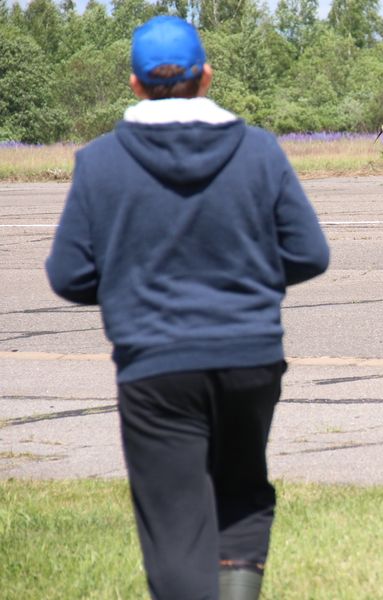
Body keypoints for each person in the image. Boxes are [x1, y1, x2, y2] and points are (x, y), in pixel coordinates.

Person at [45, 15, 330, 600]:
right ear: (207, 76)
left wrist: (131, 281)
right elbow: (309, 253)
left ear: (134, 84)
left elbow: (69, 275)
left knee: (175, 521)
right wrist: (245, 281)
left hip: (156, 366)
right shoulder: (258, 151)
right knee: (242, 492)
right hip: (250, 355)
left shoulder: (99, 162)